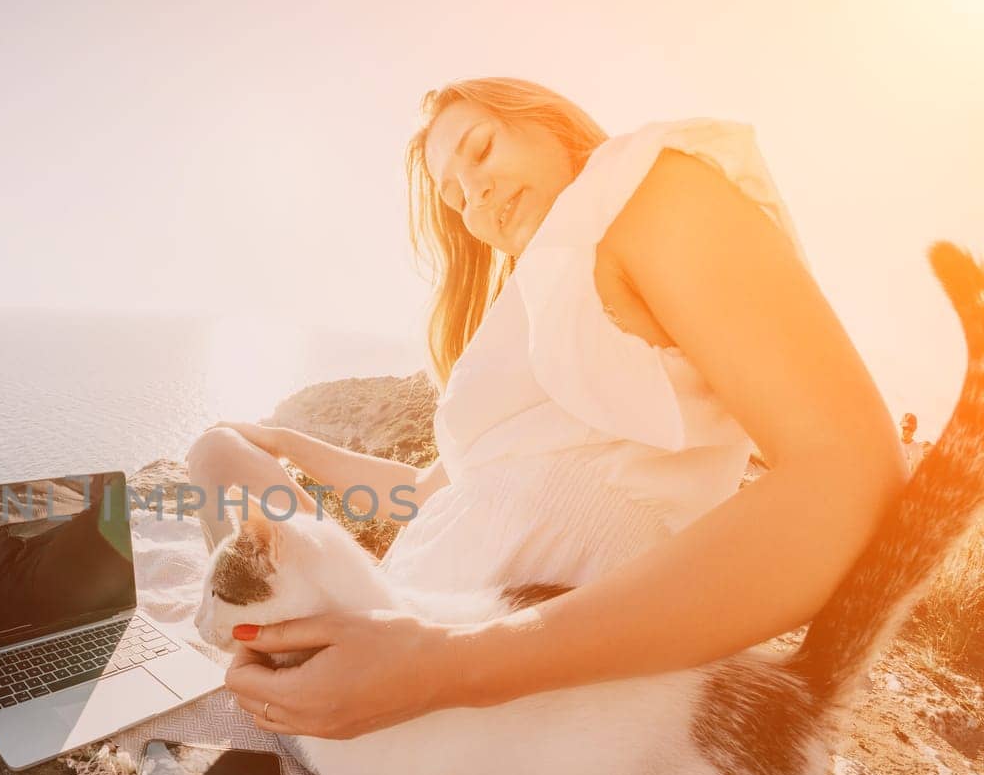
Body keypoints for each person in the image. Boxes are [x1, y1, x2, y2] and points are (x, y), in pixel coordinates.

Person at [185, 77, 906, 738]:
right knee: (220, 449)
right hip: (388, 635)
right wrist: (289, 442)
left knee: (214, 455)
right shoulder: (544, 303)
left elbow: (852, 474)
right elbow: (414, 495)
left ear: (553, 124)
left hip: (452, 680)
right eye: (455, 196)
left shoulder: (644, 187)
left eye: (481, 148)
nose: (474, 193)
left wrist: (438, 665)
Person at [899, 412, 932, 479]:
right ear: (900, 426)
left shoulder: (917, 450)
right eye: (905, 428)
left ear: (915, 429)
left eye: (911, 429)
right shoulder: (893, 445)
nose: (907, 432)